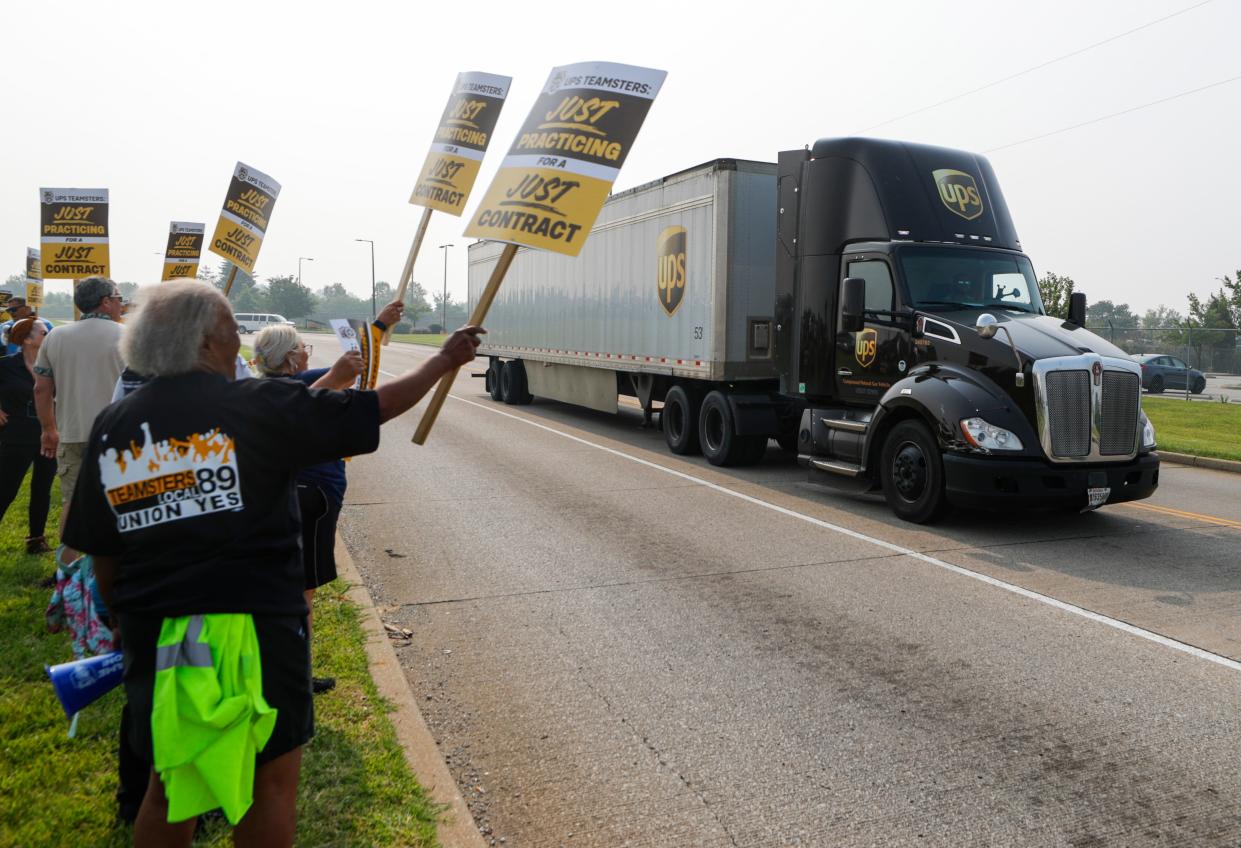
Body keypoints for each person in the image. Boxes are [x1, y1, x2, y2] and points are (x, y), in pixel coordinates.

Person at [63, 280, 481, 847]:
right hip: (259, 626)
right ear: (208, 341)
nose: (241, 341)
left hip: (160, 632)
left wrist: (126, 619)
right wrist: (443, 359)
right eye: (235, 329)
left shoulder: (115, 425)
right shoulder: (256, 405)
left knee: (170, 786)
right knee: (271, 783)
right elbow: (374, 407)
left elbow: (101, 551)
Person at [252, 302, 403, 694]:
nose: (307, 351)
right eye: (303, 346)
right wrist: (381, 324)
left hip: (281, 495)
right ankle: (295, 675)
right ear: (289, 359)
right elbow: (361, 368)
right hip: (315, 495)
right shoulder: (308, 383)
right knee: (304, 591)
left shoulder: (254, 390)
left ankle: (279, 667)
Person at [33, 276, 125, 567]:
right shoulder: (128, 336)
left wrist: (48, 429)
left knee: (72, 504)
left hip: (71, 432)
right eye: (118, 296)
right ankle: (113, 568)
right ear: (106, 301)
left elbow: (41, 388)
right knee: (119, 503)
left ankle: (67, 571)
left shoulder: (56, 336)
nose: (122, 302)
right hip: (118, 435)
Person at [0, 318, 56, 553]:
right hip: (16, 433)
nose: (49, 336)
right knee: (6, 487)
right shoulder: (5, 365)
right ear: (26, 339)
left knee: (43, 487)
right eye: (44, 333)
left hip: (50, 432)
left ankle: (36, 540)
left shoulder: (54, 364)